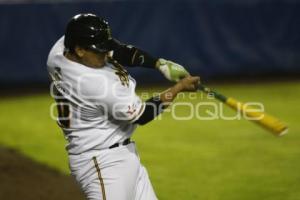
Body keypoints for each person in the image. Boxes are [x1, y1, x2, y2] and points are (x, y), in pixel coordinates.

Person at [47, 13, 200, 200]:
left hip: (120, 155)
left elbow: (117, 51)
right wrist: (178, 88)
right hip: (101, 164)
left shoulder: (58, 53)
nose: (105, 54)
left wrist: (159, 64)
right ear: (79, 50)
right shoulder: (97, 84)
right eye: (100, 50)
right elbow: (143, 115)